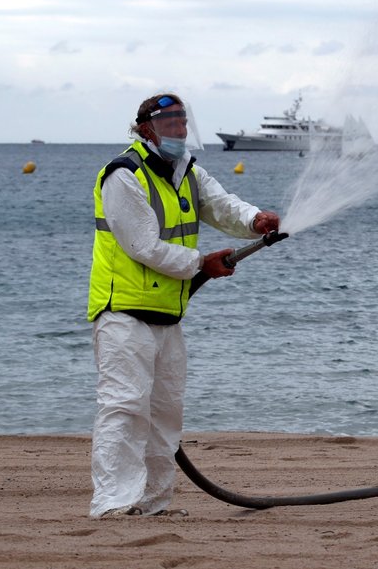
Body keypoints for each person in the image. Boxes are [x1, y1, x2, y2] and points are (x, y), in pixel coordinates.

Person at [87, 93, 280, 518]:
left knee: (165, 414)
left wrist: (254, 220)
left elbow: (220, 204)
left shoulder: (186, 170)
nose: (179, 128)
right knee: (125, 406)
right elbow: (142, 246)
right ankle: (114, 505)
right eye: (169, 121)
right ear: (145, 128)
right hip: (123, 314)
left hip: (168, 315)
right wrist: (201, 263)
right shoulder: (124, 175)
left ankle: (154, 504)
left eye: (182, 120)